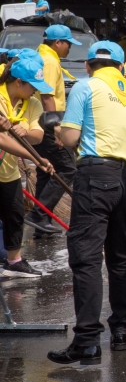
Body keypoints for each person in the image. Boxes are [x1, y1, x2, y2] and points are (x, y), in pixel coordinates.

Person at [47, 41, 126, 366]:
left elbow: (72, 139)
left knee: (86, 257)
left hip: (97, 174)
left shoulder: (85, 86)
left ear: (89, 65)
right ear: (118, 67)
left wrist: (58, 128)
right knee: (121, 258)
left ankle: (87, 341)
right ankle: (120, 332)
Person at [0, 55, 56, 278]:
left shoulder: (31, 103)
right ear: (18, 83)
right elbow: (2, 140)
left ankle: (14, 262)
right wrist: (37, 160)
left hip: (8, 170)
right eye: (33, 86)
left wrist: (25, 133)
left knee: (15, 214)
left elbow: (37, 136)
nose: (36, 91)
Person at [25, 25, 82, 237]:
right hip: (49, 121)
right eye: (68, 43)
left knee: (44, 169)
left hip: (42, 120)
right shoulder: (49, 61)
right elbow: (47, 95)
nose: (69, 48)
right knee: (68, 168)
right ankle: (39, 214)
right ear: (57, 43)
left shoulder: (44, 55)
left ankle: (42, 221)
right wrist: (57, 128)